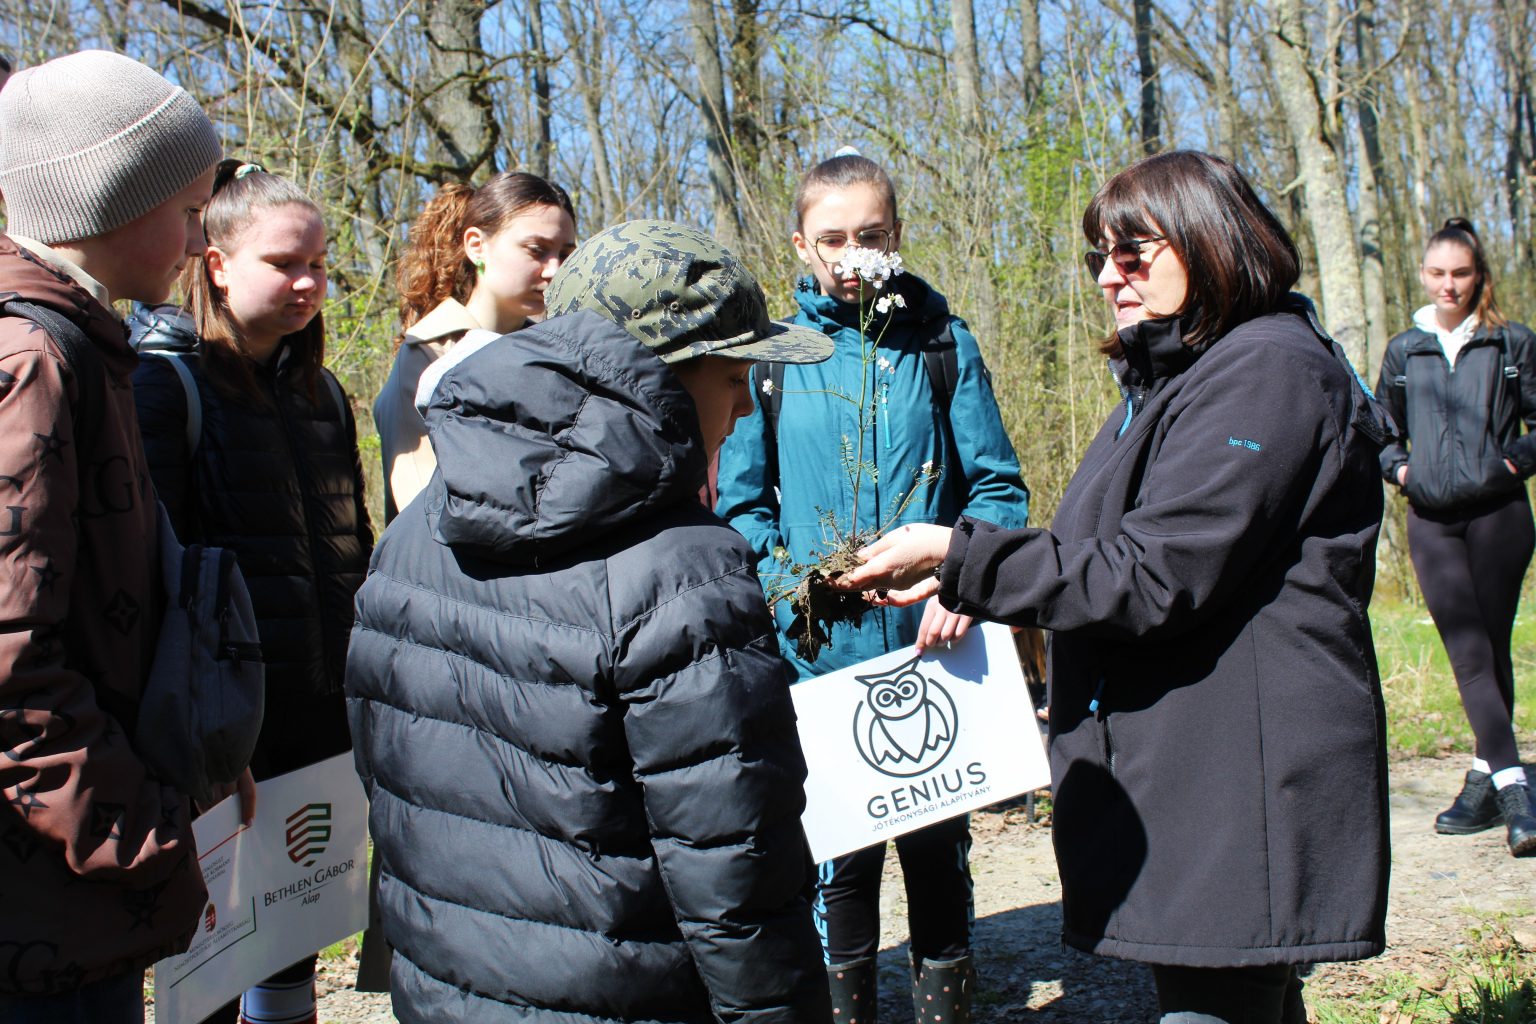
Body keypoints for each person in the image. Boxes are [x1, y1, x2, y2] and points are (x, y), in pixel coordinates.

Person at [835, 151, 1394, 1024]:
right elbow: (1099, 550)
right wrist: (966, 570)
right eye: (1100, 256)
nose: (1107, 277)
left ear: (1212, 243)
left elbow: (1157, 572)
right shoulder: (1182, 378)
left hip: (1241, 779)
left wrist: (960, 555)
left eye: (1132, 254)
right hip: (1199, 767)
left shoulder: (1266, 374)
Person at [345, 220, 834, 1023]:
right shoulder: (686, 573)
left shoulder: (421, 526)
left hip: (445, 989)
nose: (747, 406)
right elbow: (736, 871)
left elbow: (387, 774)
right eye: (734, 375)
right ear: (660, 378)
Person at [714, 152, 1029, 1022]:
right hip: (818, 661)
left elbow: (997, 490)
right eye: (832, 239)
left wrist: (959, 586)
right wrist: (800, 590)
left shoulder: (942, 344)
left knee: (939, 859)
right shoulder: (773, 360)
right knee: (839, 864)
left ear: (898, 235)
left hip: (937, 650)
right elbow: (741, 512)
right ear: (800, 245)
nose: (852, 256)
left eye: (872, 235)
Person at [0, 49, 222, 1022]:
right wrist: (144, 830)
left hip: (73, 891)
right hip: (43, 906)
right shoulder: (34, 363)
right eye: (191, 208)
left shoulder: (85, 345)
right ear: (110, 200)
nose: (202, 239)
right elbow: (10, 667)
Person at [129, 160, 373, 1024]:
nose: (308, 282)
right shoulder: (165, 386)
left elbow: (353, 549)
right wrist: (201, 742)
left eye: (319, 263)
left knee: (294, 940)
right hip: (220, 732)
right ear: (218, 264)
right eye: (283, 263)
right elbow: (148, 577)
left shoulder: (326, 394)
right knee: (210, 964)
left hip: (319, 716)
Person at [1376, 218, 1536, 857]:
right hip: (1431, 520)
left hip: (1500, 515)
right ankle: (1515, 793)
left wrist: (1510, 465)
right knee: (1468, 652)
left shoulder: (1511, 342)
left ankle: (1481, 781)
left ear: (1478, 276)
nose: (1449, 285)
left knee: (1491, 649)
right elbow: (1380, 431)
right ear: (1423, 274)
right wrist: (1401, 470)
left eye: (1461, 273)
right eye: (1438, 273)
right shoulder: (1404, 350)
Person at [376, 171, 576, 520]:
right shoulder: (427, 353)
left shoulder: (558, 354)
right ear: (476, 245)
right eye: (537, 250)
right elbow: (422, 510)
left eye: (564, 254)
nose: (553, 270)